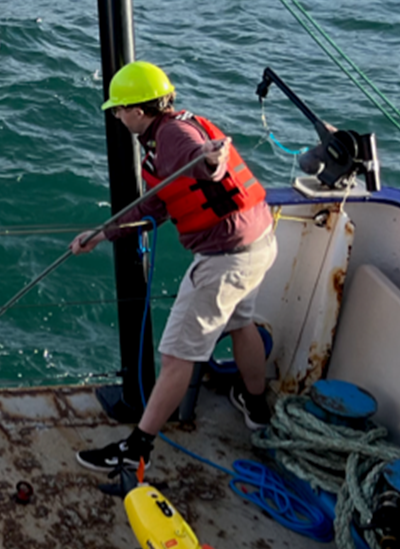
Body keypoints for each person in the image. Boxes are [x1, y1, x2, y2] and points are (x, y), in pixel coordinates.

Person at [71, 61, 276, 476]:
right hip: (258, 242)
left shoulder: (173, 137)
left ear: (138, 110)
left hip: (223, 259)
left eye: (120, 109)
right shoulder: (178, 126)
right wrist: (102, 234)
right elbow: (156, 204)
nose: (117, 116)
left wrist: (210, 161)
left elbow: (205, 164)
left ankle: (137, 449)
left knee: (177, 355)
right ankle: (257, 411)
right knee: (242, 324)